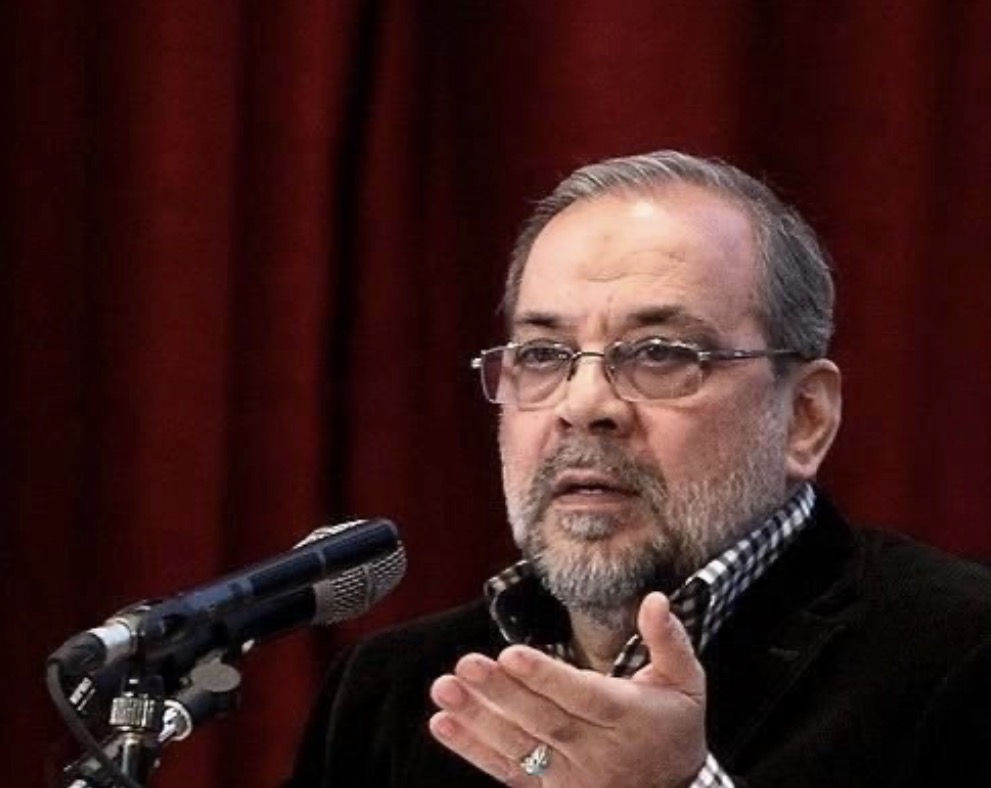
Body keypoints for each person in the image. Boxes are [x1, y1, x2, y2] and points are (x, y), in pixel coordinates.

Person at [287, 151, 991, 786]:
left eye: (660, 353)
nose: (583, 405)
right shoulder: (390, 693)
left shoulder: (960, 654)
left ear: (804, 417)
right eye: (542, 356)